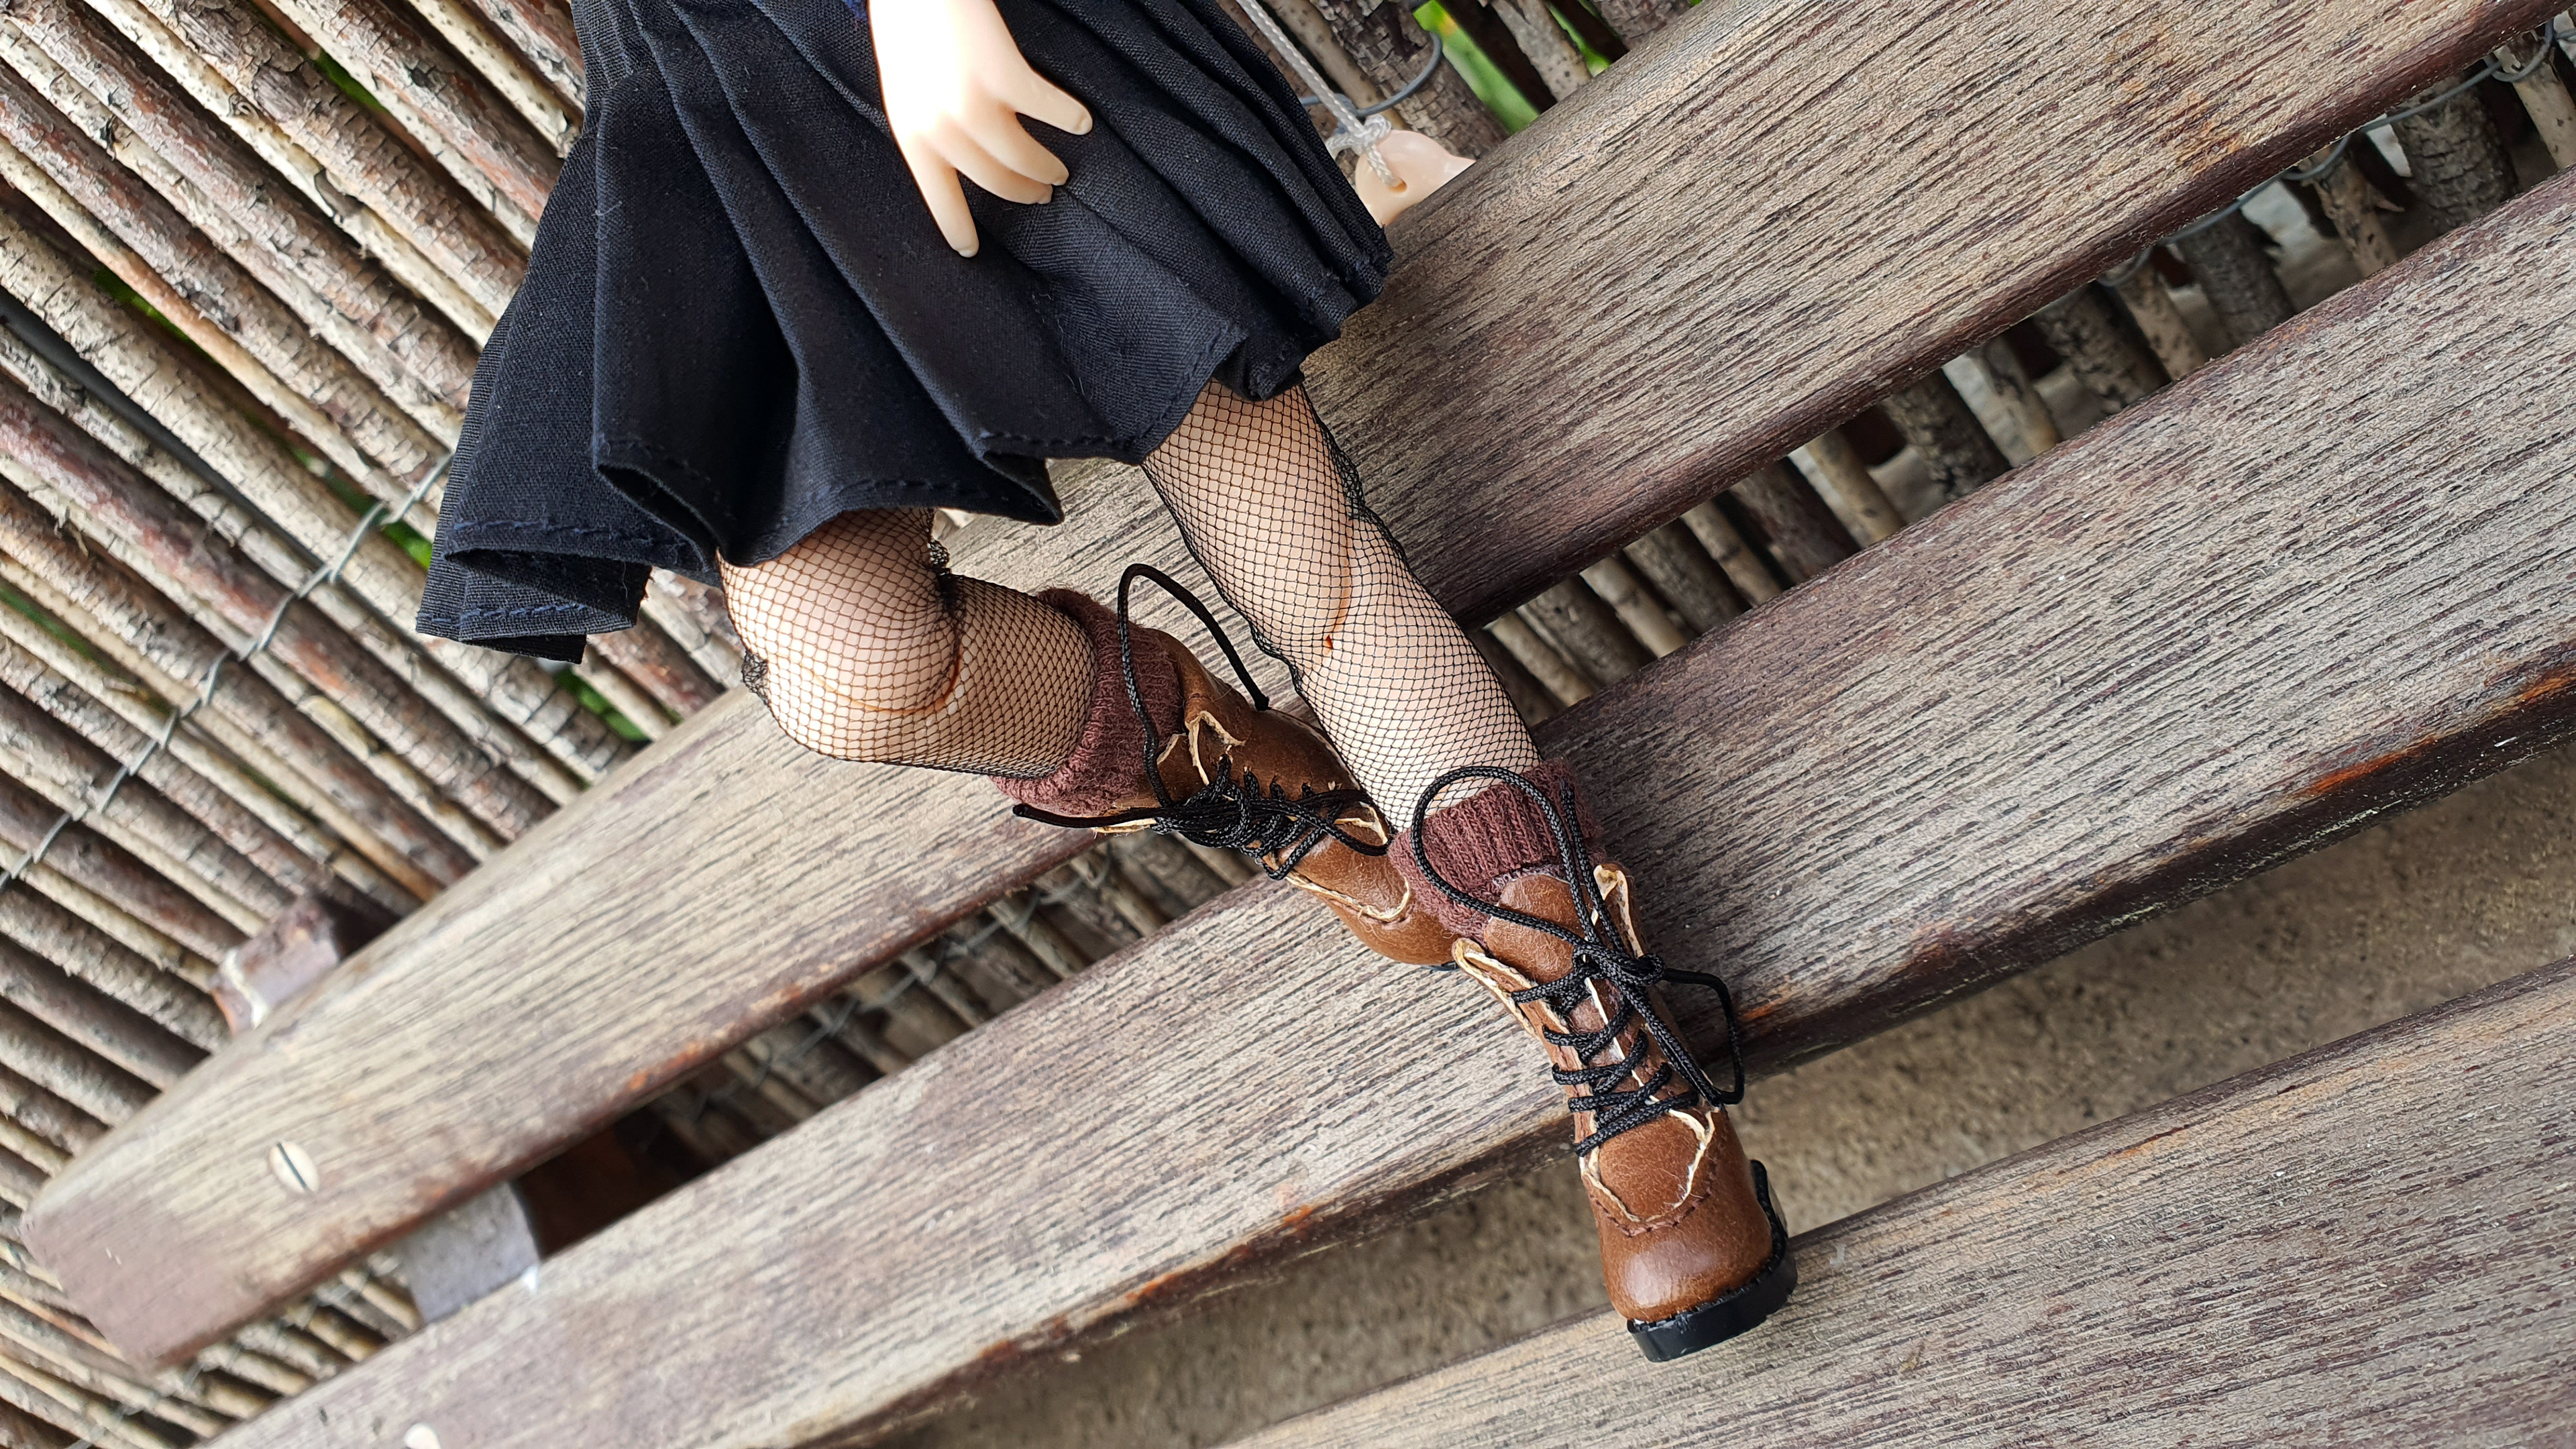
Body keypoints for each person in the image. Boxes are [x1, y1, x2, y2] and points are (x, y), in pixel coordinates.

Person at [417, 0, 1790, 1358]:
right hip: (710, 109)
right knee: (851, 669)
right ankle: (1205, 747)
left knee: (1310, 576)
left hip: (956, 43)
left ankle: (1621, 1052)